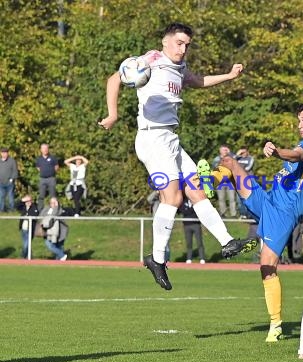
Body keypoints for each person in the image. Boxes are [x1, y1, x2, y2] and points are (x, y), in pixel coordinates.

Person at [99, 22, 257, 290]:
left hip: (171, 138)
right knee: (173, 197)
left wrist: (228, 76)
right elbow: (115, 78)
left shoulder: (180, 68)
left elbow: (197, 81)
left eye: (187, 45)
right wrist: (113, 114)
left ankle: (227, 241)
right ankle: (157, 258)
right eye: (179, 43)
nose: (183, 49)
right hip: (152, 137)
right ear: (165, 41)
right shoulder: (151, 59)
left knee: (197, 190)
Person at [215, 102, 303, 343]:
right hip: (268, 201)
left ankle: (275, 324)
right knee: (229, 162)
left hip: (284, 211)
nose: (300, 125)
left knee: (267, 266)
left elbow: (297, 154)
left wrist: (277, 152)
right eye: (299, 120)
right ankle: (208, 184)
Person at [212, 144, 238, 217]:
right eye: (224, 150)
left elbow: (235, 161)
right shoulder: (216, 159)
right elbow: (216, 167)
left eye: (226, 150)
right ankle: (223, 213)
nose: (225, 151)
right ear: (220, 151)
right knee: (221, 198)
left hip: (230, 181)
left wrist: (230, 154)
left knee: (232, 198)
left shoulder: (231, 157)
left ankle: (233, 214)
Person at [180, 199, 206, 264]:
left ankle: (202, 258)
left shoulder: (195, 201)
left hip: (196, 224)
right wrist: (189, 210)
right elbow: (183, 211)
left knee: (199, 241)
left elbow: (197, 211)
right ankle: (189, 258)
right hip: (187, 225)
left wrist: (189, 210)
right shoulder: (184, 202)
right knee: (189, 242)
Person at [35, 143, 59, 210]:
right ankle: (40, 210)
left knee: (53, 195)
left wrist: (51, 172)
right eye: (43, 148)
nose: (45, 150)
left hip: (51, 178)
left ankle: (54, 210)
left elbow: (56, 167)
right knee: (41, 195)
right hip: (42, 179)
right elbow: (38, 167)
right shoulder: (39, 159)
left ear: (48, 149)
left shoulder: (53, 158)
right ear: (41, 150)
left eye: (46, 148)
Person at [17, 194, 39, 259]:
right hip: (23, 229)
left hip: (30, 229)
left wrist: (27, 214)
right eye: (26, 201)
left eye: (29, 201)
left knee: (26, 243)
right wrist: (22, 200)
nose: (28, 202)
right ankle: (29, 255)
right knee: (25, 243)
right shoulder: (23, 207)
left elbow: (35, 214)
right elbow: (17, 206)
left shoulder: (34, 207)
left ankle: (23, 255)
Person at [236, 146, 255, 217]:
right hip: (239, 180)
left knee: (248, 197)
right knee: (239, 198)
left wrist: (238, 168)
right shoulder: (238, 158)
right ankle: (242, 213)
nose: (243, 154)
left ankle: (249, 213)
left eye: (244, 152)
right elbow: (232, 162)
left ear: (247, 152)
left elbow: (248, 168)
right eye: (242, 152)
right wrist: (237, 154)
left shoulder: (251, 158)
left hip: (248, 180)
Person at [0, 147, 19, 212]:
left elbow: (15, 171)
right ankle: (1, 210)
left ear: (7, 153)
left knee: (10, 196)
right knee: (1, 196)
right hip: (1, 183)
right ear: (1, 153)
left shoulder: (12, 161)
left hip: (9, 183)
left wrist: (12, 179)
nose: (4, 154)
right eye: (2, 153)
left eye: (5, 153)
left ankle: (12, 209)